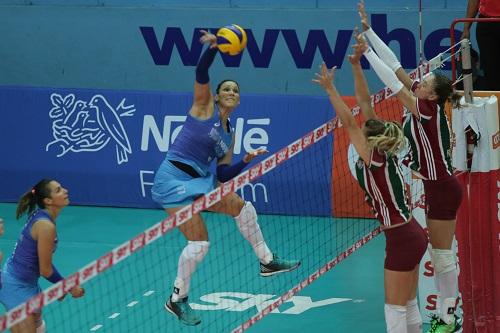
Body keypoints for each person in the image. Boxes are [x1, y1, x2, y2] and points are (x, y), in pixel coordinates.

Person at [151, 30, 300, 326]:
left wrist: (246, 159)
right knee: (199, 245)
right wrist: (215, 48)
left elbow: (223, 173)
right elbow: (202, 70)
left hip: (202, 181)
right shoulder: (203, 107)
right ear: (218, 95)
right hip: (172, 182)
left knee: (243, 208)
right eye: (227, 89)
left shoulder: (229, 133)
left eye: (236, 91)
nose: (232, 93)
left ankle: (267, 262)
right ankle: (177, 299)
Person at [358, 2, 464, 332]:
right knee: (439, 251)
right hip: (439, 185)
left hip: (444, 187)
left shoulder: (426, 109)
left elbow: (392, 81)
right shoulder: (426, 102)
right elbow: (398, 67)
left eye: (424, 81)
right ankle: (445, 314)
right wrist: (368, 32)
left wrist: (364, 55)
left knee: (443, 254)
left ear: (432, 94)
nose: (418, 81)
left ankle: (448, 315)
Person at [313, 33, 428, 333]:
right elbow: (364, 103)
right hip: (412, 232)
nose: (361, 127)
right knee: (409, 303)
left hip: (402, 237)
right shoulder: (384, 153)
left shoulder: (372, 159)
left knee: (394, 309)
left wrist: (329, 89)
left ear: (369, 139)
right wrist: (354, 65)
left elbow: (349, 121)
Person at [0, 179, 85, 333]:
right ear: (48, 200)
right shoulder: (46, 226)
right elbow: (45, 270)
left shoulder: (42, 216)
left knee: (39, 329)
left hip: (27, 284)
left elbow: (43, 263)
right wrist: (69, 286)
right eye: (58, 190)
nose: (65, 190)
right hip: (15, 286)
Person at [461, 0, 500, 91]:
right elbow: (474, 1)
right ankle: (495, 100)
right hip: (486, 23)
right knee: (490, 68)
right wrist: (466, 28)